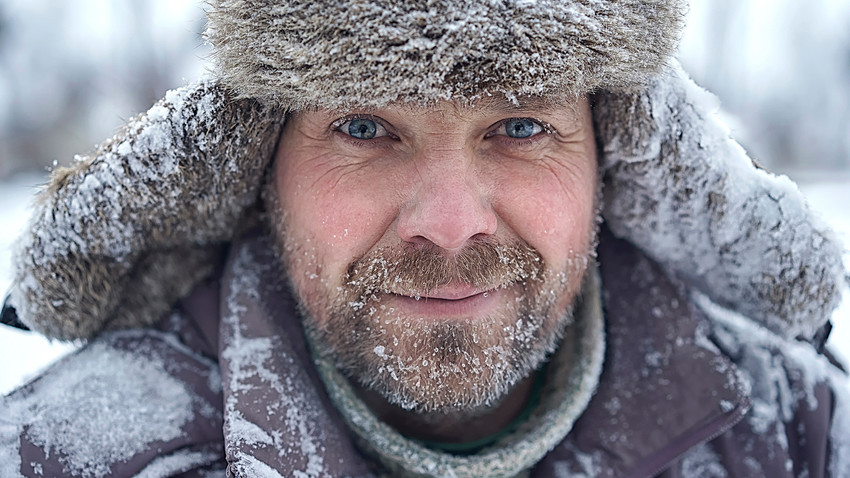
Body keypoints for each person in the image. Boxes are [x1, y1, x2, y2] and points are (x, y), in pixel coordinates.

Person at [1, 1, 848, 476]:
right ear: (260, 164)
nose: (448, 224)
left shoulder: (796, 434)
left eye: (518, 125)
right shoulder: (67, 454)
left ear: (611, 157)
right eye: (366, 126)